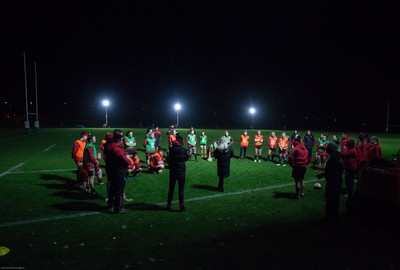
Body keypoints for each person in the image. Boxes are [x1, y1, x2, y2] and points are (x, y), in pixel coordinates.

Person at [104, 129, 132, 214]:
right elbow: (127, 161)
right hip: (119, 172)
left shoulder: (108, 146)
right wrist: (129, 163)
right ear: (119, 141)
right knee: (119, 191)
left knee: (112, 189)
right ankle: (118, 208)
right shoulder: (118, 150)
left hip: (111, 170)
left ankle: (110, 204)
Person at [317, 143, 344, 223]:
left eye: (328, 148)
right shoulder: (338, 156)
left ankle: (329, 219)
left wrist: (327, 176)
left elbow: (332, 172)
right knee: (335, 201)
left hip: (333, 183)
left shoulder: (334, 159)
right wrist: (323, 174)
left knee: (330, 201)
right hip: (337, 181)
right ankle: (334, 217)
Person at [167, 134, 189, 211]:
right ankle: (181, 206)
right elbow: (186, 158)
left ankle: (168, 205)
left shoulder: (171, 149)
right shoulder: (184, 150)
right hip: (181, 172)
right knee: (181, 189)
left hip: (172, 171)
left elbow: (168, 159)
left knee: (171, 188)